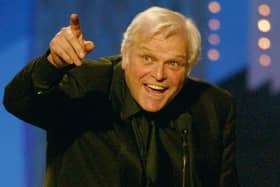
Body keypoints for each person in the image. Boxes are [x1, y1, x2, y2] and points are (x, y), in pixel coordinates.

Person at [3, 6, 239, 187]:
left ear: (188, 67)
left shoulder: (213, 106)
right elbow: (18, 101)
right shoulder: (87, 85)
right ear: (125, 56)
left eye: (174, 63)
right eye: (147, 58)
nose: (158, 74)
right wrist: (51, 65)